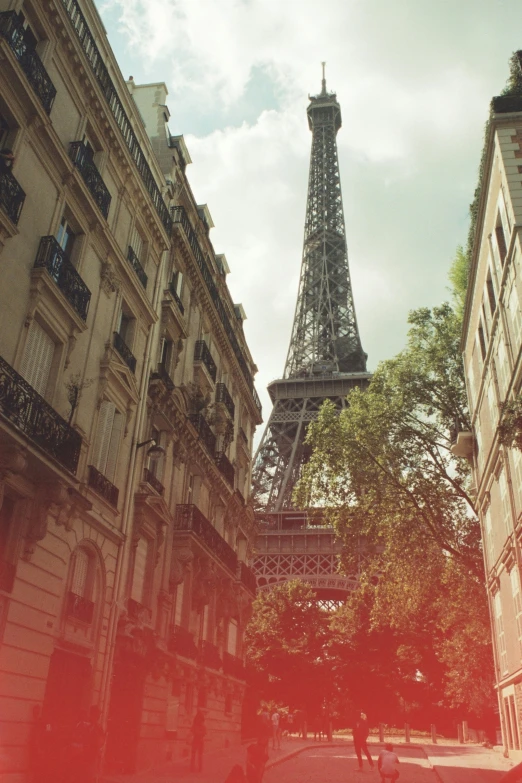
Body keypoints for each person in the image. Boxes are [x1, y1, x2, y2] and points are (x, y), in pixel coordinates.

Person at [70, 706, 105, 783]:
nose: (98, 717)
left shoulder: (98, 727)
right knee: (82, 776)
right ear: (92, 714)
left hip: (93, 756)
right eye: (96, 715)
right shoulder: (84, 725)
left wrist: (99, 748)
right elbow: (77, 738)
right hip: (83, 755)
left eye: (98, 715)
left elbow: (102, 740)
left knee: (90, 777)